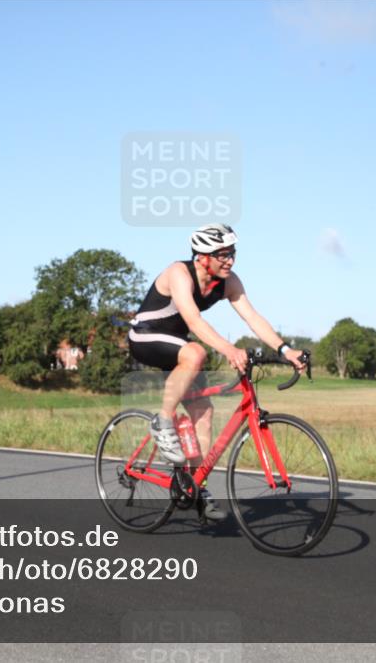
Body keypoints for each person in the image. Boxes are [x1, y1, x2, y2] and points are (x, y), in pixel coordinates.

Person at [127, 223, 306, 520]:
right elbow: (194, 322)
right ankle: (162, 422)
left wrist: (285, 350)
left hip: (177, 347)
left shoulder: (229, 281)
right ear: (201, 256)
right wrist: (228, 349)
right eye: (222, 255)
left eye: (232, 253)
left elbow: (252, 317)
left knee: (204, 412)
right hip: (145, 336)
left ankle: (195, 486)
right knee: (196, 351)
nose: (230, 260)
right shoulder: (178, 273)